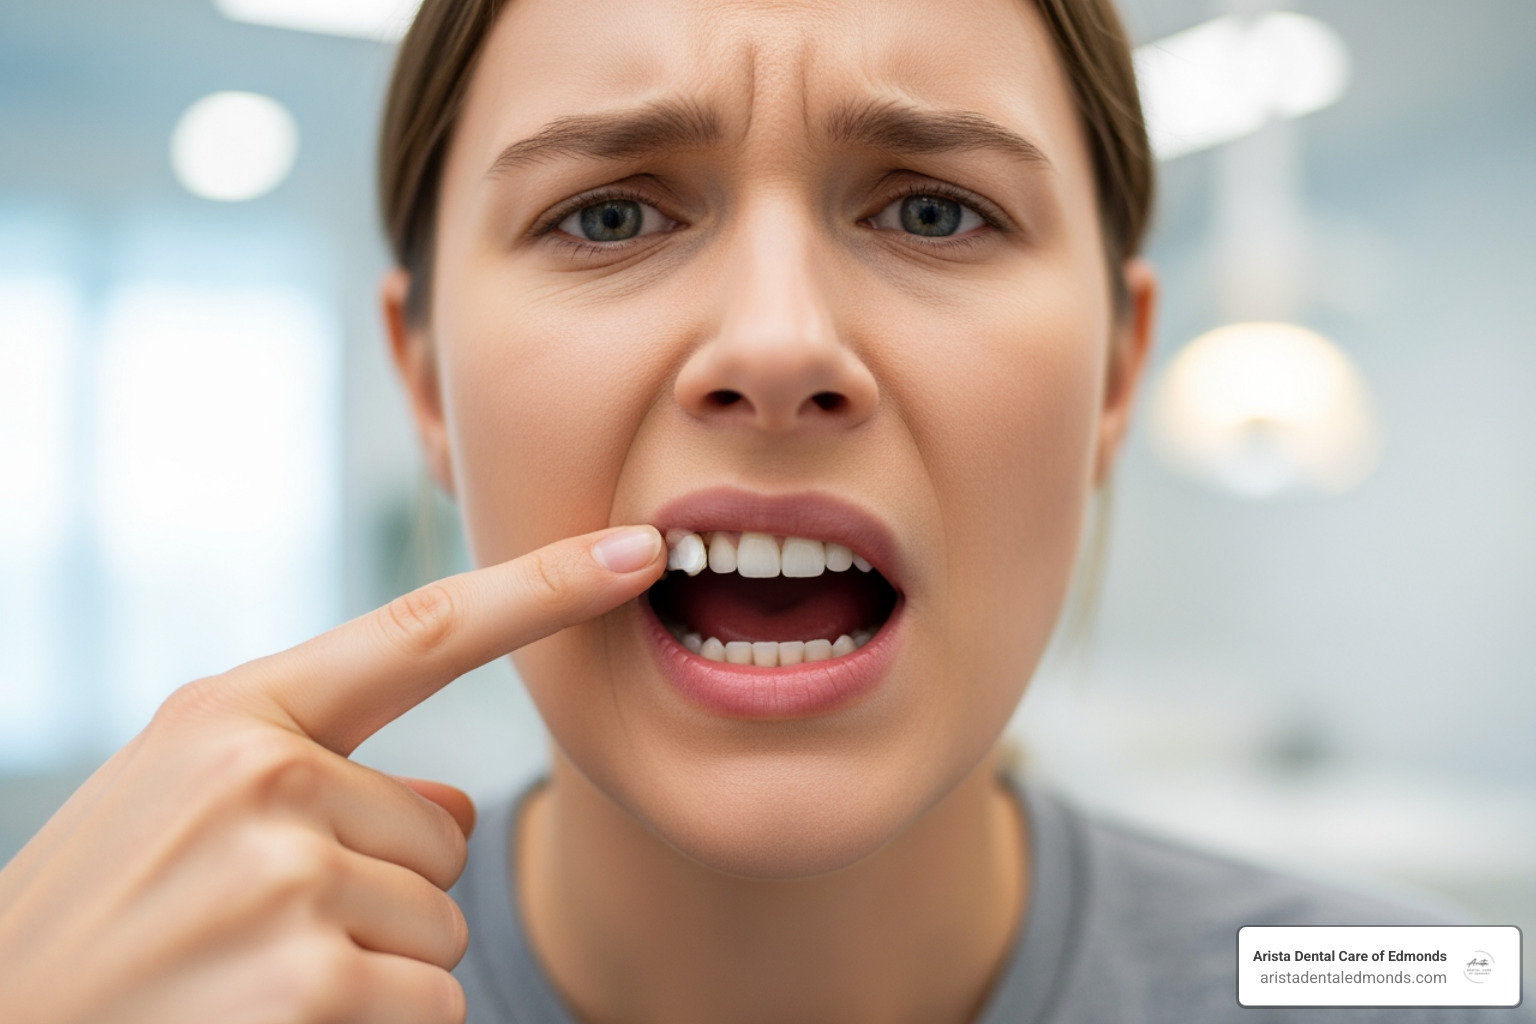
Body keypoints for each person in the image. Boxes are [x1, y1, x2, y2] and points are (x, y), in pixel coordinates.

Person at [0, 0, 1525, 1022]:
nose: (780, 344)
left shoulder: (1400, 984)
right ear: (424, 383)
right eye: (608, 214)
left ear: (1121, 370)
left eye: (934, 209)